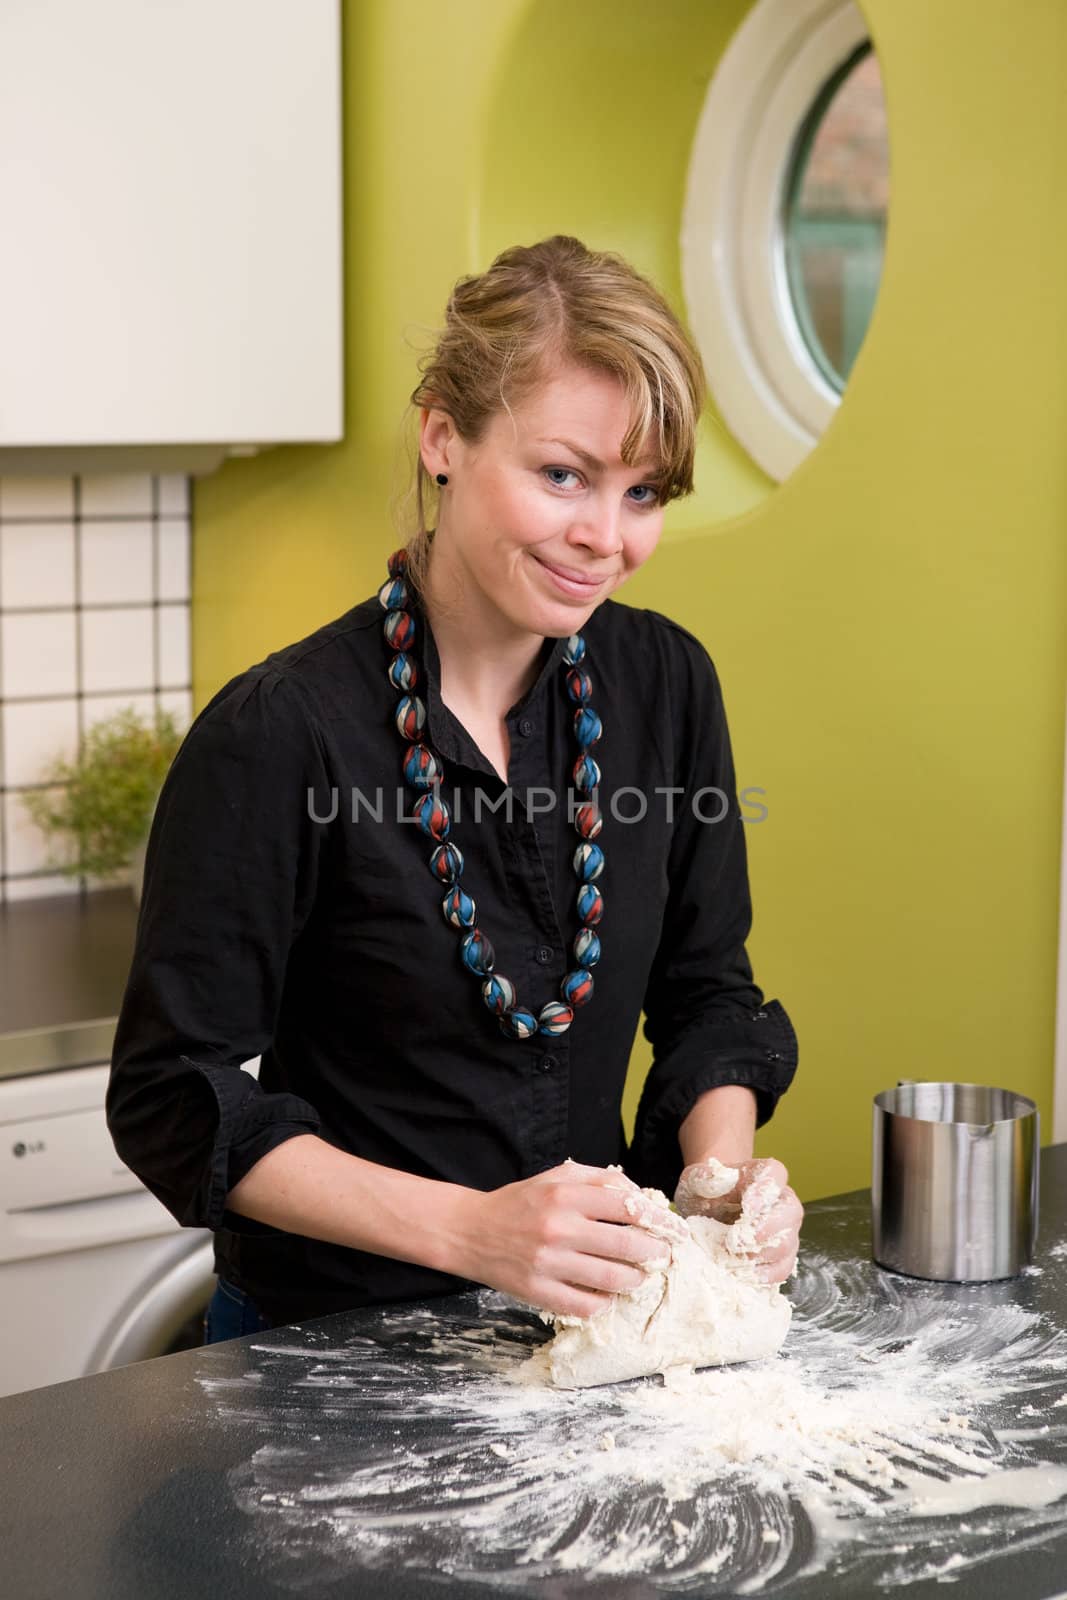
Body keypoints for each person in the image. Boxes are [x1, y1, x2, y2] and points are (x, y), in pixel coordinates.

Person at [106, 234, 802, 1344]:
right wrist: (474, 1231)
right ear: (442, 435)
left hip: (590, 1331)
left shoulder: (664, 683)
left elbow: (706, 993)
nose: (603, 539)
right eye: (561, 474)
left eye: (643, 492)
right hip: (324, 1349)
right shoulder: (277, 735)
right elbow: (170, 1093)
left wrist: (720, 1180)